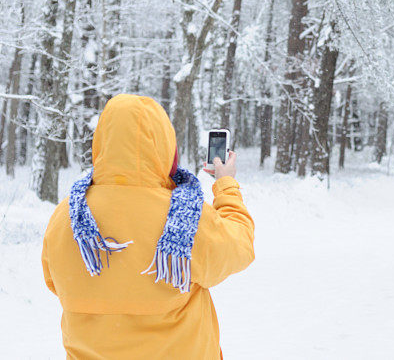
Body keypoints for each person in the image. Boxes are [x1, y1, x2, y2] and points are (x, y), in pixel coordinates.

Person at [41, 94, 255, 359]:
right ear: (165, 146)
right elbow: (239, 247)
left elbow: (54, 282)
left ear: (101, 144)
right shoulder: (185, 218)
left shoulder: (68, 216)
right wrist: (226, 186)